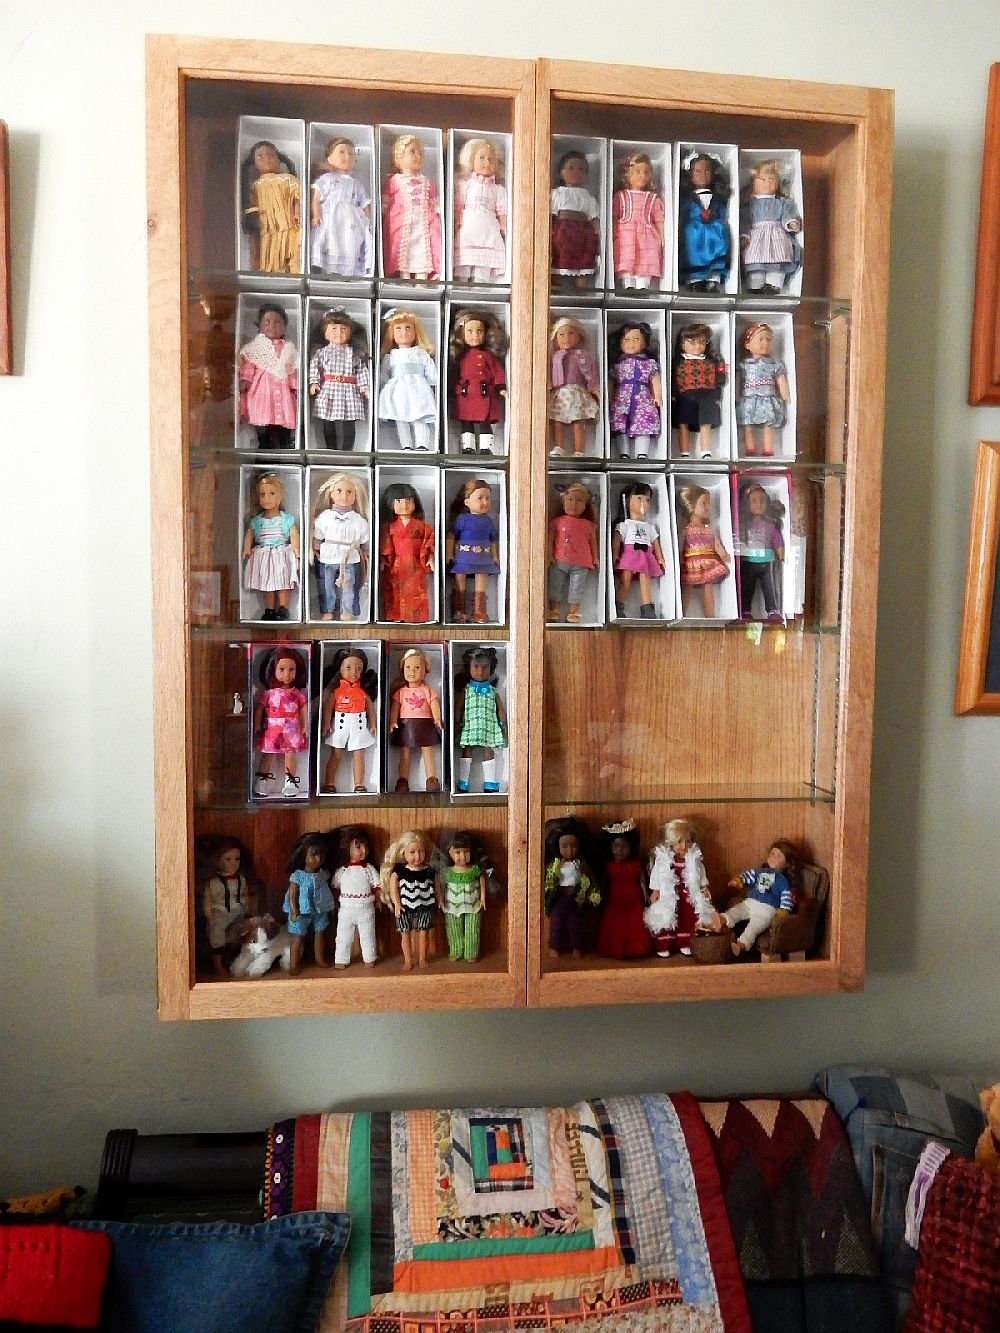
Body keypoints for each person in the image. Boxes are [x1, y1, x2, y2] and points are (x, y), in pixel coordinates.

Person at [712, 840, 799, 957]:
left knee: (753, 928)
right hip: (751, 902)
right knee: (737, 910)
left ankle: (740, 945)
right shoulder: (760, 871)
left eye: (778, 856)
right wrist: (738, 880)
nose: (773, 857)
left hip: (767, 910)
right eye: (772, 853)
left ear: (787, 864)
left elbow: (786, 898)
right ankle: (721, 920)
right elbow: (749, 875)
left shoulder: (782, 881)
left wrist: (783, 911)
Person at [644, 819, 714, 957]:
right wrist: (655, 890)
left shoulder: (694, 859)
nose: (684, 846)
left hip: (687, 895)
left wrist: (704, 888)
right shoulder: (663, 860)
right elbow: (657, 874)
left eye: (688, 841)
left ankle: (685, 942)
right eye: (679, 842)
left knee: (687, 918)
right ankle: (664, 944)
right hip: (668, 894)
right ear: (671, 841)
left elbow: (700, 873)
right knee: (666, 917)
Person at [308, 309, 370, 452]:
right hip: (329, 389)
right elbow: (315, 366)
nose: (339, 333)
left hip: (349, 390)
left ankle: (348, 449)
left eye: (343, 329)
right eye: (334, 329)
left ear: (350, 333)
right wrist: (314, 382)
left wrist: (364, 387)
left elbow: (361, 370)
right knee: (328, 421)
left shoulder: (353, 353)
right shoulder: (322, 352)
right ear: (325, 333)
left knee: (349, 422)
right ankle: (331, 448)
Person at [309, 136, 372, 276]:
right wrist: (316, 215)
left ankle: (348, 271)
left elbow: (364, 204)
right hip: (331, 217)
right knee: (331, 240)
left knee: (349, 243)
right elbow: (316, 197)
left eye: (351, 154)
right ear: (329, 158)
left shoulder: (357, 184)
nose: (347, 156)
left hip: (351, 221)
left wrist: (368, 222)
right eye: (341, 152)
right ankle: (329, 270)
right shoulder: (326, 178)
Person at [238, 303, 297, 450]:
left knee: (283, 425)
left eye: (277, 322)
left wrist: (295, 385)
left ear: (284, 326)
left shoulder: (288, 348)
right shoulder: (254, 348)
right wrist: (245, 381)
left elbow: (291, 370)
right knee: (263, 425)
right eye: (267, 322)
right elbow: (249, 366)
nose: (272, 326)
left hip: (283, 393)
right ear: (260, 325)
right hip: (261, 394)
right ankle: (264, 450)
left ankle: (285, 447)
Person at [382, 134, 442, 279]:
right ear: (399, 157)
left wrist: (437, 216)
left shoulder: (427, 182)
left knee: (423, 250)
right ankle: (405, 279)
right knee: (404, 251)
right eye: (412, 152)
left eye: (420, 153)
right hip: (402, 224)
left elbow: (434, 204)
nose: (418, 156)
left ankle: (422, 279)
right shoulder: (394, 180)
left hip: (423, 224)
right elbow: (385, 203)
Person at [448, 308, 507, 454]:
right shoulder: (460, 357)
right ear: (462, 334)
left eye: (479, 331)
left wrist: (500, 387)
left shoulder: (488, 356)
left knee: (484, 422)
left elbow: (497, 371)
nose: (475, 335)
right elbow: (454, 375)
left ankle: (486, 447)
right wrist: (451, 390)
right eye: (470, 331)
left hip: (483, 393)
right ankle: (467, 447)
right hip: (466, 395)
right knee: (466, 422)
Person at [243, 471, 299, 622]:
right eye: (262, 495)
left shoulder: (285, 518)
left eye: (272, 494)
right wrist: (246, 549)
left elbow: (293, 533)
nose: (266, 498)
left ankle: (283, 607)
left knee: (282, 581)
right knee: (267, 583)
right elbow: (250, 534)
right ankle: (269, 610)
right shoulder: (257, 520)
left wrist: (296, 548)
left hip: (281, 553)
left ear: (280, 496)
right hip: (264, 555)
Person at [252, 647, 308, 799]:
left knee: (290, 755)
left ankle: (290, 782)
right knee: (268, 755)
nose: (287, 674)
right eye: (282, 669)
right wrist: (257, 725)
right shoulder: (269, 693)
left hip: (291, 729)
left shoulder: (297, 693)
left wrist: (305, 727)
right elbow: (259, 710)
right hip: (272, 729)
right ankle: (262, 781)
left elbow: (304, 709)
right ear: (273, 670)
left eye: (291, 670)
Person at [380, 830, 440, 970]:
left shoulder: (429, 870)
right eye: (412, 852)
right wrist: (397, 904)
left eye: (421, 851)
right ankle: (408, 960)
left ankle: (422, 958)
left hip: (425, 905)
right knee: (405, 934)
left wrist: (440, 899)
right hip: (404, 906)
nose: (417, 856)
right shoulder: (399, 870)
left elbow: (436, 887)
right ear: (403, 852)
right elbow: (394, 889)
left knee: (424, 932)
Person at [321, 647, 377, 794]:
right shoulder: (336, 692)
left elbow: (370, 709)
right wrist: (326, 724)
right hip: (340, 725)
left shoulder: (363, 693)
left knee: (359, 755)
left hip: (359, 725)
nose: (353, 672)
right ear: (340, 669)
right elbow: (328, 709)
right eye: (348, 668)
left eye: (358, 669)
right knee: (336, 755)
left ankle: (359, 784)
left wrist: (373, 725)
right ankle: (329, 783)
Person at [241, 139, 300, 274]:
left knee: (290, 246)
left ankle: (291, 269)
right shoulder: (255, 185)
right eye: (260, 157)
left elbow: (297, 196)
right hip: (266, 223)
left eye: (270, 155)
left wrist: (297, 212)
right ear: (254, 163)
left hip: (287, 221)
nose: (266, 159)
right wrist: (252, 216)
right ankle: (271, 269)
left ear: (279, 160)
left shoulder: (287, 178)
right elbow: (252, 203)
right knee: (268, 248)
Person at [387, 648, 442, 793]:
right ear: (403, 670)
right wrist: (392, 721)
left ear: (425, 671)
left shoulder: (427, 690)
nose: (412, 671)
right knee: (405, 753)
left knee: (427, 751)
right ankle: (402, 780)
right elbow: (395, 708)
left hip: (425, 725)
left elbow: (434, 704)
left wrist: (437, 718)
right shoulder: (400, 692)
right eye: (408, 667)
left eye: (417, 668)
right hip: (406, 725)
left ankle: (431, 778)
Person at [446, 478, 500, 625]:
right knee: (460, 584)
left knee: (481, 583)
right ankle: (459, 611)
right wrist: (449, 553)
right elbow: (451, 536)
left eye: (488, 498)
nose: (485, 502)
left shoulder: (488, 521)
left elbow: (493, 540)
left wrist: (495, 557)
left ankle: (479, 611)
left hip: (483, 558)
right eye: (480, 498)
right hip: (463, 558)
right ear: (467, 502)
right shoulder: (462, 519)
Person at [453, 137, 508, 281]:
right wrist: (457, 220)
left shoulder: (498, 189)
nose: (487, 163)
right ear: (471, 161)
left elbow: (502, 210)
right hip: (469, 226)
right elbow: (459, 205)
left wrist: (503, 224)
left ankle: (480, 280)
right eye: (481, 158)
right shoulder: (465, 185)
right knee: (464, 256)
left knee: (485, 260)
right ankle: (461, 280)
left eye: (491, 159)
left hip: (488, 228)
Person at [283, 832, 335, 973]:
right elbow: (292, 895)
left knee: (320, 933)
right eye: (314, 855)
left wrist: (330, 906)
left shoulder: (323, 874)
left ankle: (319, 959)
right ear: (303, 856)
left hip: (320, 909)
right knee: (298, 936)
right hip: (301, 911)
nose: (318, 859)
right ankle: (294, 965)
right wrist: (294, 911)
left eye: (321, 855)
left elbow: (326, 891)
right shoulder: (298, 876)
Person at [547, 481, 598, 624]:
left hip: (581, 562)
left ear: (585, 505)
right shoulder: (557, 522)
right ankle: (554, 609)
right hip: (559, 559)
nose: (573, 504)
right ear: (563, 502)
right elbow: (550, 539)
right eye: (569, 499)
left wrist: (595, 557)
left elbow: (593, 542)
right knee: (555, 584)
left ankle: (573, 611)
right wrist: (548, 555)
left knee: (577, 587)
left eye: (579, 501)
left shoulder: (588, 525)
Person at [332, 826, 381, 968]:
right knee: (343, 936)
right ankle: (341, 959)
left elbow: (377, 887)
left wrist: (378, 901)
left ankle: (369, 958)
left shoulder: (369, 869)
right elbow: (335, 887)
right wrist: (334, 903)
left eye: (366, 846)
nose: (364, 850)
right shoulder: (342, 871)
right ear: (347, 848)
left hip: (366, 909)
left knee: (368, 935)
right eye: (358, 847)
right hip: (346, 909)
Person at [441, 830, 489, 961]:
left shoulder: (475, 869)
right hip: (451, 906)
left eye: (466, 852)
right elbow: (439, 885)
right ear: (450, 852)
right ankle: (456, 951)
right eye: (458, 852)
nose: (462, 856)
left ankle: (471, 953)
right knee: (453, 929)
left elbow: (482, 881)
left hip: (473, 904)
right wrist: (440, 899)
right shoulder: (447, 871)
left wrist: (483, 898)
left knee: (472, 929)